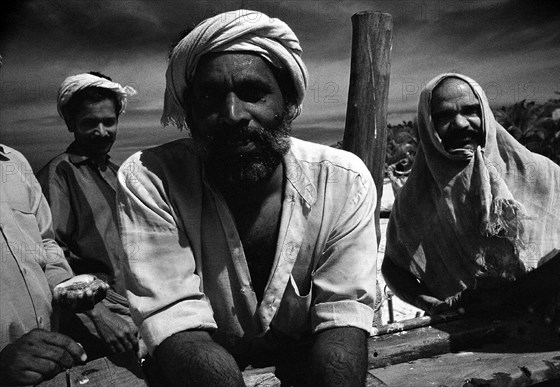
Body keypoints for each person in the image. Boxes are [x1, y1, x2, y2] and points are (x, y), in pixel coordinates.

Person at [116, 9, 377, 387]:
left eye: (253, 93)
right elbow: (174, 323)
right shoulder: (152, 180)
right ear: (188, 112)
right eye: (209, 97)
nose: (234, 114)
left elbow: (343, 316)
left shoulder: (342, 181)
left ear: (287, 102)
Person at [382, 74, 560, 337]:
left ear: (486, 114)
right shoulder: (415, 198)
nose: (460, 123)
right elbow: (392, 266)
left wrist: (553, 286)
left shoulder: (539, 172)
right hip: (458, 335)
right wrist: (430, 304)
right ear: (428, 125)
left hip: (538, 331)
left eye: (470, 111)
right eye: (444, 116)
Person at [36, 72, 146, 383]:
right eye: (89, 123)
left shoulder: (117, 172)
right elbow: (48, 258)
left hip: (135, 311)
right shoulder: (59, 174)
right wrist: (100, 317)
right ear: (71, 123)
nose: (101, 131)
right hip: (99, 321)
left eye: (109, 121)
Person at [0, 144, 115, 386]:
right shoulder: (58, 172)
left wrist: (63, 284)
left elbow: (45, 241)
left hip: (52, 360)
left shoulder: (14, 162)